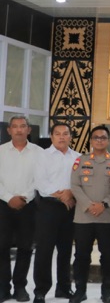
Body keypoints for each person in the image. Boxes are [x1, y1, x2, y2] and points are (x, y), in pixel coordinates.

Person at [70, 125, 110, 303]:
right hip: (83, 217)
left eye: (103, 137)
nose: (99, 140)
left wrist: (104, 204)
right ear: (91, 141)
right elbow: (75, 185)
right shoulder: (80, 161)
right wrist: (88, 205)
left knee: (108, 256)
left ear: (108, 141)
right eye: (96, 137)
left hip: (107, 217)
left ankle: (106, 291)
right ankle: (80, 290)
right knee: (81, 256)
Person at [32, 123, 80, 303]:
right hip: (48, 207)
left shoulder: (78, 158)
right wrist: (63, 195)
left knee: (66, 249)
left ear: (70, 137)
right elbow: (40, 182)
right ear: (51, 136)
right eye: (57, 134)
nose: (61, 137)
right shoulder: (42, 156)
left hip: (70, 208)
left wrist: (71, 193)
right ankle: (41, 290)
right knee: (44, 250)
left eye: (65, 134)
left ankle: (64, 287)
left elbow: (81, 182)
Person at [0, 115, 44, 303]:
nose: (19, 129)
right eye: (15, 126)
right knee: (1, 247)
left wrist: (25, 197)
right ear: (9, 130)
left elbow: (40, 179)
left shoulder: (39, 153)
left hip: (28, 205)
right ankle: (3, 288)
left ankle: (20, 287)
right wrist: (9, 198)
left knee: (25, 247)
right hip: (3, 204)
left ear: (29, 130)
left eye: (23, 126)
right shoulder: (0, 151)